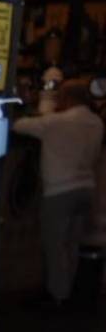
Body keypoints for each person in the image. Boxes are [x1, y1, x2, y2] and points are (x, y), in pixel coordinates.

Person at [14, 79, 104, 306]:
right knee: (72, 244)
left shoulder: (56, 122)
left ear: (66, 99)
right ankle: (69, 291)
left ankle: (57, 296)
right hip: (86, 188)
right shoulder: (97, 122)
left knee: (54, 245)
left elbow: (18, 125)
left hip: (59, 190)